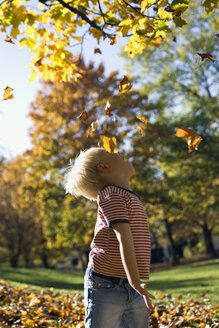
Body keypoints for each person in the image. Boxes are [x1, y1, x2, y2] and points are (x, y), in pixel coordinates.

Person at [64, 147, 154, 328]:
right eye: (111, 153)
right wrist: (135, 281)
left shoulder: (127, 195)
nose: (119, 152)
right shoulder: (112, 195)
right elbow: (124, 239)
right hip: (105, 284)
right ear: (104, 166)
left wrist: (135, 284)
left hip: (130, 284)